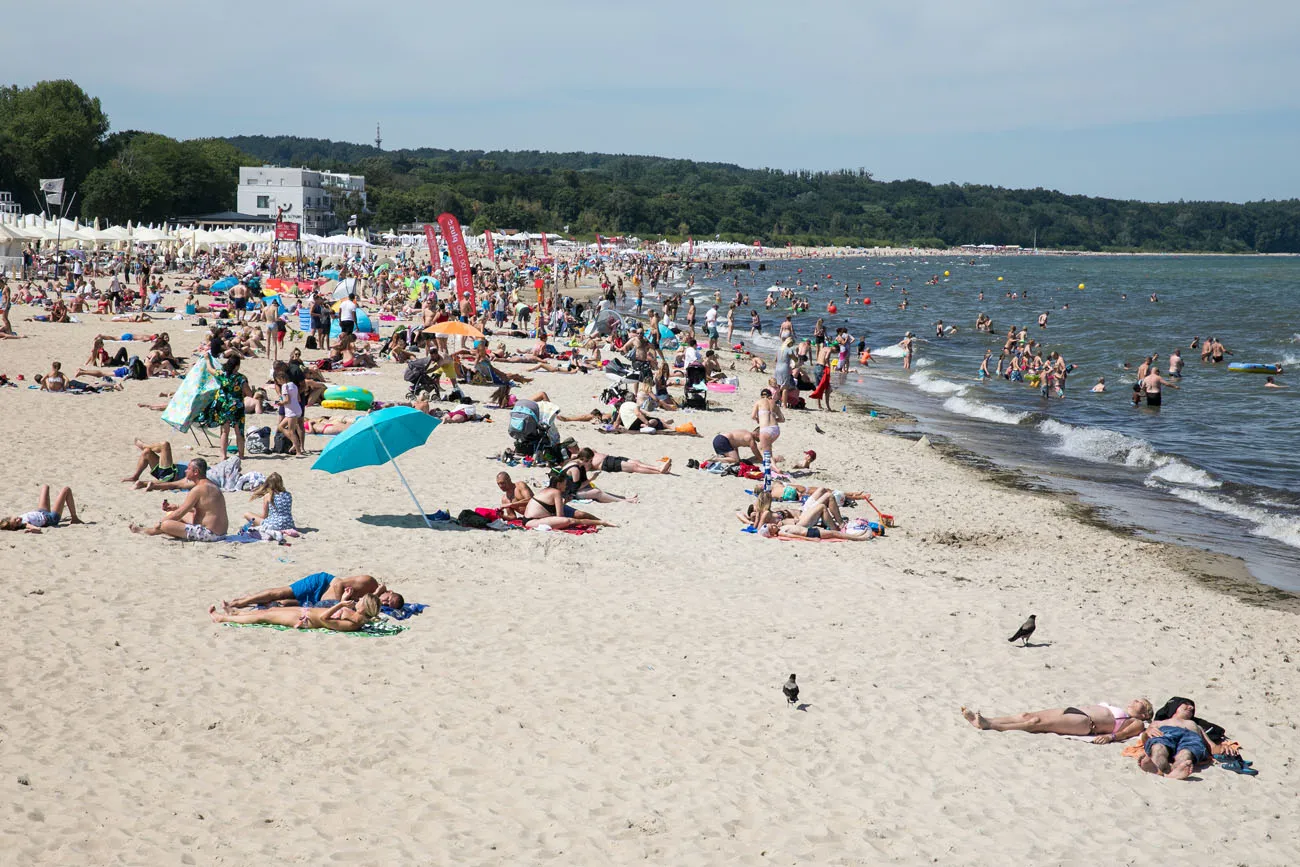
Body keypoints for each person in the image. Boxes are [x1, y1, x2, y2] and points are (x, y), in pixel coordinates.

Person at [961, 699, 1153, 743]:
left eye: (1141, 704)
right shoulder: (1116, 708)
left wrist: (1111, 737)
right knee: (1027, 715)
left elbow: (1124, 734)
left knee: (1036, 723)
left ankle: (991, 726)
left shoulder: (1137, 723)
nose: (1135, 702)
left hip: (1086, 723)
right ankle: (989, 719)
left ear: (1145, 715)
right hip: (1076, 710)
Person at [129, 458, 229, 542]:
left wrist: (158, 524)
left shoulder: (198, 489)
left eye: (188, 469)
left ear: (195, 472)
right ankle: (158, 530)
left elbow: (179, 513)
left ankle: (150, 531)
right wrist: (176, 507)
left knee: (166, 524)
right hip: (221, 532)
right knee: (173, 514)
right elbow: (205, 510)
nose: (185, 471)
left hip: (210, 534)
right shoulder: (210, 485)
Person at [1136, 699, 1233, 779]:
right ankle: (1157, 768)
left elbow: (1212, 747)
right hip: (1166, 733)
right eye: (1186, 704)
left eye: (1192, 707)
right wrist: (1148, 732)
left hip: (1190, 738)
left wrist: (1223, 748)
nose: (1191, 707)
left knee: (1186, 753)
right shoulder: (1159, 723)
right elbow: (1145, 739)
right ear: (1175, 706)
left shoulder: (1196, 726)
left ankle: (1175, 771)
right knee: (1158, 747)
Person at [210, 590, 379, 633]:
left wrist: (341, 604)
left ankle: (223, 618)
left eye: (362, 600)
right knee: (273, 609)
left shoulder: (354, 623)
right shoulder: (355, 615)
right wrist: (343, 599)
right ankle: (236, 613)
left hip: (304, 619)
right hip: (305, 611)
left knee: (265, 617)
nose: (359, 600)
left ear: (365, 607)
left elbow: (325, 618)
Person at [226, 573, 403, 610]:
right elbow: (338, 583)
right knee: (281, 593)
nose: (385, 602)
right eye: (389, 599)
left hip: (323, 599)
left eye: (388, 605)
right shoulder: (368, 583)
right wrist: (337, 601)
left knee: (284, 603)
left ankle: (251, 602)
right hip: (321, 583)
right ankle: (241, 601)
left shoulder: (372, 604)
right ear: (390, 591)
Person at [196, 355, 252, 459]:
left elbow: (209, 369)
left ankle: (223, 455)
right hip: (237, 407)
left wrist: (208, 359)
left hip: (223, 406)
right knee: (239, 432)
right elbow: (249, 393)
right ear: (236, 366)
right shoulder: (241, 378)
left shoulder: (222, 374)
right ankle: (241, 455)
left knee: (224, 432)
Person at [521, 477, 616, 530]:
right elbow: (560, 516)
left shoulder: (547, 490)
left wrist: (564, 502)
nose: (566, 486)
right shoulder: (556, 492)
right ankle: (601, 522)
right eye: (565, 483)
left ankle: (600, 521)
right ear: (558, 484)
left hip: (544, 514)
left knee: (580, 514)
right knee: (570, 521)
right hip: (532, 521)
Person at [1, 484, 84, 532]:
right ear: (15, 527)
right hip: (51, 519)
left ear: (11, 517)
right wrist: (31, 530)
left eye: (15, 519)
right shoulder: (25, 524)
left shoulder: (19, 519)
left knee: (45, 486)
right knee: (66, 489)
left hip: (41, 512)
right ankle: (74, 518)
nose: (18, 520)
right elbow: (37, 529)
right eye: (17, 523)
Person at [752, 388, 784, 492]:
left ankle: (774, 467)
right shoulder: (774, 403)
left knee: (763, 449)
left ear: (761, 396)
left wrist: (758, 419)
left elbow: (752, 416)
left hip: (765, 430)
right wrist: (773, 418)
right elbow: (782, 419)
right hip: (776, 429)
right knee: (767, 448)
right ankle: (773, 465)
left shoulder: (759, 402)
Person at [575, 446, 670, 476]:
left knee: (636, 462)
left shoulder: (584, 451)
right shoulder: (581, 461)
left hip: (611, 458)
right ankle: (659, 472)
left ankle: (658, 468)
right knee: (634, 467)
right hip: (607, 464)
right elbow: (586, 469)